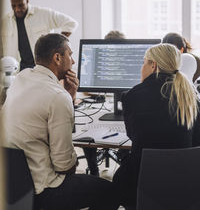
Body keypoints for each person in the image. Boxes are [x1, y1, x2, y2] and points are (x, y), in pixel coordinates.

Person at [1, 33, 120, 210]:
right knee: (110, 190)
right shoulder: (57, 96)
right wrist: (74, 164)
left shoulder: (21, 78)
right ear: (57, 57)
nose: (73, 61)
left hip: (12, 182)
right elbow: (64, 166)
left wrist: (70, 96)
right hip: (44, 189)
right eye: (70, 55)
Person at [112, 43, 200, 208]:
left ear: (153, 65)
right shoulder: (191, 96)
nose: (141, 67)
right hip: (185, 181)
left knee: (116, 178)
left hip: (142, 181)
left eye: (143, 62)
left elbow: (133, 135)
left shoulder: (133, 95)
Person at [83, 30, 128, 176]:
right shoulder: (99, 62)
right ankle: (94, 169)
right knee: (86, 130)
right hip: (102, 105)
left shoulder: (130, 63)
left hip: (126, 106)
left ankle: (123, 163)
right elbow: (86, 91)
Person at [1, 0, 78, 71]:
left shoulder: (44, 14)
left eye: (21, 5)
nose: (17, 9)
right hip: (17, 72)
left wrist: (58, 44)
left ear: (27, 0)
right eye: (13, 6)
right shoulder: (5, 21)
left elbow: (71, 23)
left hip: (43, 70)